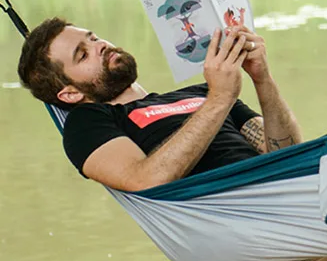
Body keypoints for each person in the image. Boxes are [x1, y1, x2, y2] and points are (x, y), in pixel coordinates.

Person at [17, 18, 303, 192]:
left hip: (287, 193)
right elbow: (146, 180)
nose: (100, 45)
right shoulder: (88, 123)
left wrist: (262, 77)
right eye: (82, 54)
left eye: (92, 38)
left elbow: (289, 155)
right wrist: (220, 99)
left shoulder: (202, 92)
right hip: (238, 216)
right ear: (69, 95)